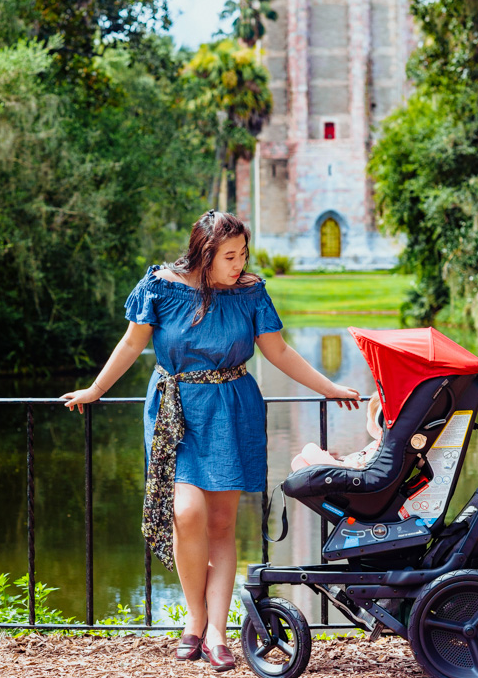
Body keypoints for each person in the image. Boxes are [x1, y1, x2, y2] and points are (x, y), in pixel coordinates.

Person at [61, 210, 360, 672]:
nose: (239, 263)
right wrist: (94, 390)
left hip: (232, 409)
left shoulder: (249, 293)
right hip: (174, 410)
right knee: (186, 513)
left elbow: (277, 350)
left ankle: (217, 632)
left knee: (221, 524)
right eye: (229, 256)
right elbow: (129, 344)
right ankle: (195, 620)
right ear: (204, 254)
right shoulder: (161, 287)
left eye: (242, 253)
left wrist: (330, 387)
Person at [291, 391, 382, 471]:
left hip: (347, 472)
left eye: (368, 418)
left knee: (309, 449)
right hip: (346, 468)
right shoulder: (380, 445)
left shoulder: (381, 449)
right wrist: (346, 459)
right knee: (299, 461)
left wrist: (344, 464)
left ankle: (333, 467)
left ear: (379, 424)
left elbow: (363, 466)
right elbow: (361, 456)